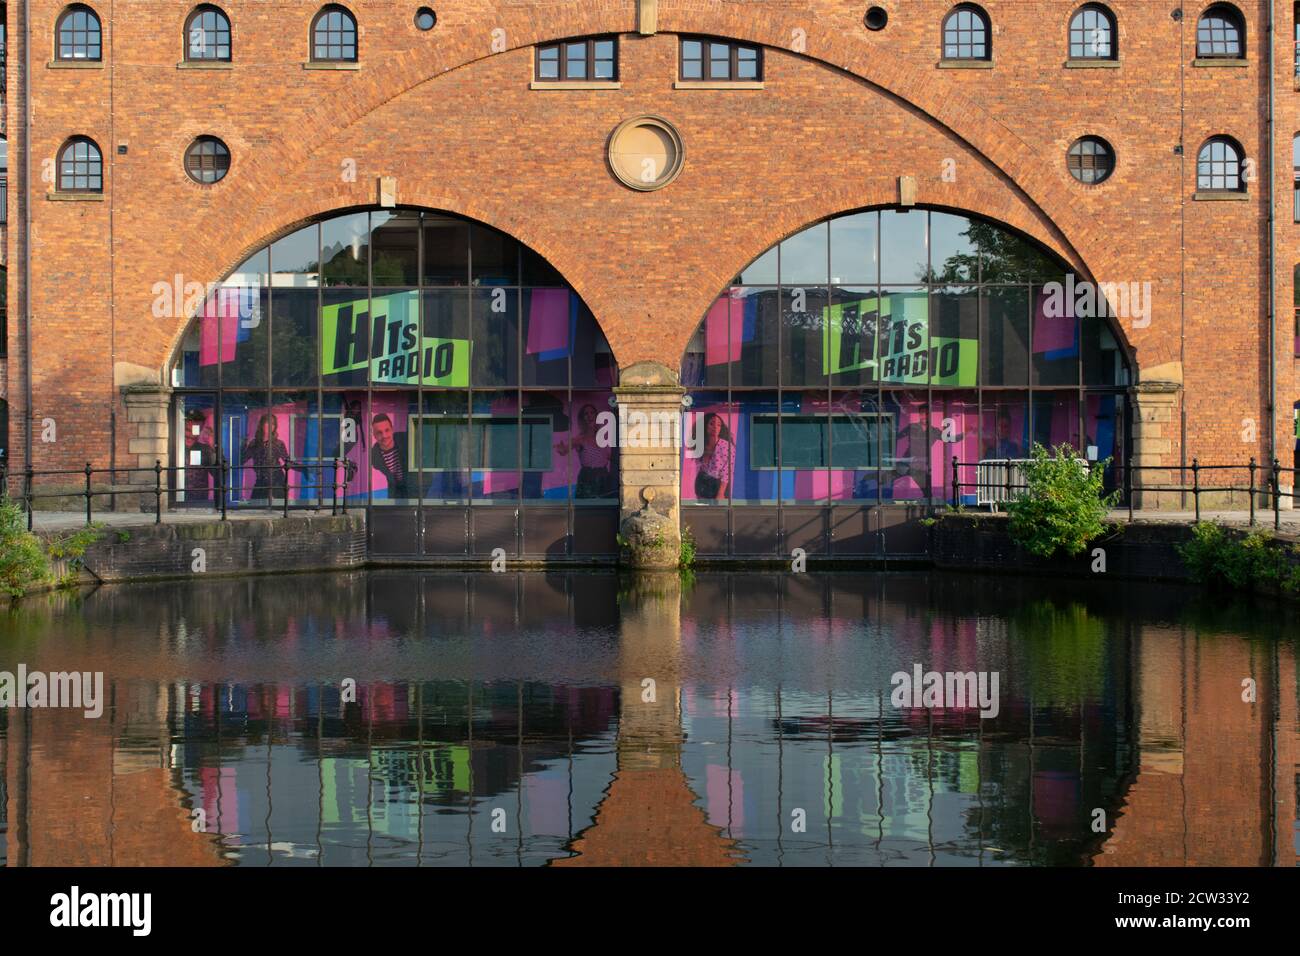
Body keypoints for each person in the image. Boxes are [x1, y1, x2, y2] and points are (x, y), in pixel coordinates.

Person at [557, 403, 614, 499]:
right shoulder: (579, 439)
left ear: (596, 416)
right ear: (582, 418)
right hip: (588, 477)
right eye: (586, 414)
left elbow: (609, 457)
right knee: (587, 509)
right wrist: (562, 450)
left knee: (604, 508)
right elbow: (565, 450)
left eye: (592, 413)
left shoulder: (603, 438)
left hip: (604, 477)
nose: (589, 416)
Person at [240, 413, 289, 501]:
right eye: (268, 423)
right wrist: (242, 446)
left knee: (278, 509)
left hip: (277, 481)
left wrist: (304, 469)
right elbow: (242, 460)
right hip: (261, 482)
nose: (270, 426)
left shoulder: (278, 443)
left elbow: (288, 461)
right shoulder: (254, 443)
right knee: (256, 508)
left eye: (273, 424)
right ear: (262, 424)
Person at [695, 412, 734, 501]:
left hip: (719, 485)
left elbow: (727, 471)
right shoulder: (701, 444)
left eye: (719, 425)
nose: (715, 427)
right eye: (712, 424)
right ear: (705, 425)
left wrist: (721, 493)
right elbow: (699, 468)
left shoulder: (726, 446)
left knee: (718, 513)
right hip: (702, 483)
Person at [370, 413, 410, 500]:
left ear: (392, 430)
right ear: (374, 435)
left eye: (387, 430)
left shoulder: (405, 440)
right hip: (394, 491)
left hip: (413, 489)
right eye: (379, 433)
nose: (384, 436)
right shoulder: (374, 455)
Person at [182, 410, 216, 505]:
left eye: (196, 430)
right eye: (188, 430)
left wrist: (213, 446)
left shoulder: (205, 450)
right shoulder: (173, 448)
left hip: (199, 501)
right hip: (177, 497)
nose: (192, 435)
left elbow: (220, 474)